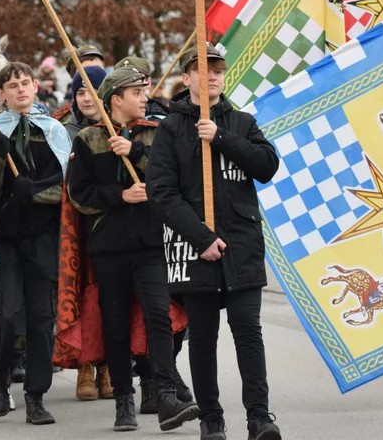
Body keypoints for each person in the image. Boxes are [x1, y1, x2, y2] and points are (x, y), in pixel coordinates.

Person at [146, 45, 281, 440]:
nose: (212, 77)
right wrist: (201, 238)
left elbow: (267, 166)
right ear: (186, 78)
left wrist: (220, 138)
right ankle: (211, 418)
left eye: (218, 70)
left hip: (242, 245)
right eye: (202, 70)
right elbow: (161, 193)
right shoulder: (170, 128)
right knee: (202, 338)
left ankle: (259, 417)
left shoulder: (241, 122)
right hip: (194, 249)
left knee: (247, 331)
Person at [67, 66, 198, 433]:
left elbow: (174, 176)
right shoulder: (89, 140)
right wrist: (120, 196)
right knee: (116, 325)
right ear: (116, 100)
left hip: (151, 245)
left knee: (159, 317)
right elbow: (79, 194)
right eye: (137, 93)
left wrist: (136, 150)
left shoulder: (158, 134)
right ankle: (123, 399)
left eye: (144, 92)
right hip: (109, 249)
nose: (145, 98)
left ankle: (164, 392)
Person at [0, 62, 68, 424]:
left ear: (34, 87)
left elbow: (67, 184)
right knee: (5, 313)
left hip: (43, 237)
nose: (19, 90)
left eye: (25, 83)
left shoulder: (54, 130)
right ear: (0, 94)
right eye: (11, 85)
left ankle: (36, 395)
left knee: (42, 318)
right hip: (5, 239)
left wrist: (38, 193)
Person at [60, 63, 114, 402]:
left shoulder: (118, 128)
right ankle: (86, 367)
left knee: (110, 298)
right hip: (76, 223)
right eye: (80, 91)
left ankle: (108, 366)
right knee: (83, 295)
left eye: (93, 90)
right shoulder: (62, 130)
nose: (87, 97)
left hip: (113, 222)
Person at [54, 45, 108, 125]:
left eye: (98, 70)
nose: (92, 75)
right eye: (85, 71)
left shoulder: (122, 114)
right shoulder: (60, 124)